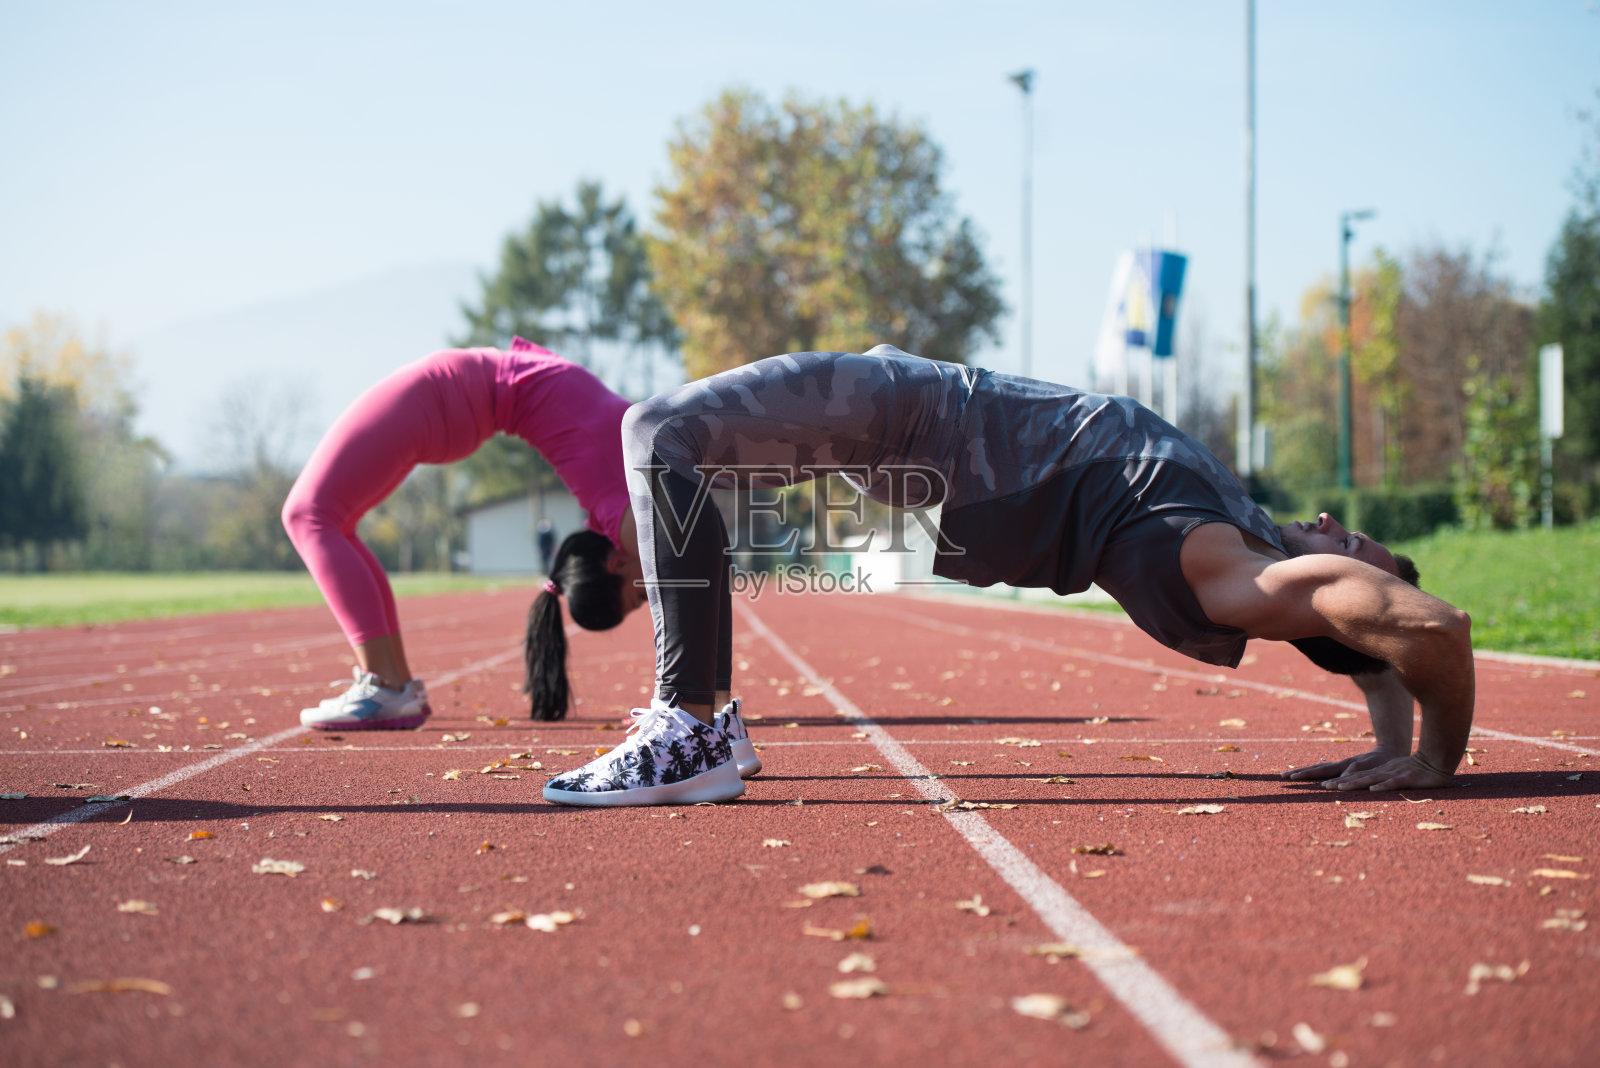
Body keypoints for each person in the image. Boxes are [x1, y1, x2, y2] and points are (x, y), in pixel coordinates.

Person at [543, 345, 1473, 807]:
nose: (1333, 527)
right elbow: (1367, 635)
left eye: (1355, 543)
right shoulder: (1242, 541)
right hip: (931, 462)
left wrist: (1435, 759)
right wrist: (1388, 721)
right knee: (687, 463)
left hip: (930, 430)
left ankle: (691, 725)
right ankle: (709, 722)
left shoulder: (1223, 570)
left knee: (657, 433)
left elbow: (1429, 628)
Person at [282, 337, 656, 729]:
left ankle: (386, 687)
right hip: (457, 397)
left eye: (640, 595)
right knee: (329, 521)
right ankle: (394, 685)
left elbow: (680, 567)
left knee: (309, 514)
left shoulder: (620, 514)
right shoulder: (622, 508)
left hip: (447, 396)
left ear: (616, 561)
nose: (650, 591)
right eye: (641, 596)